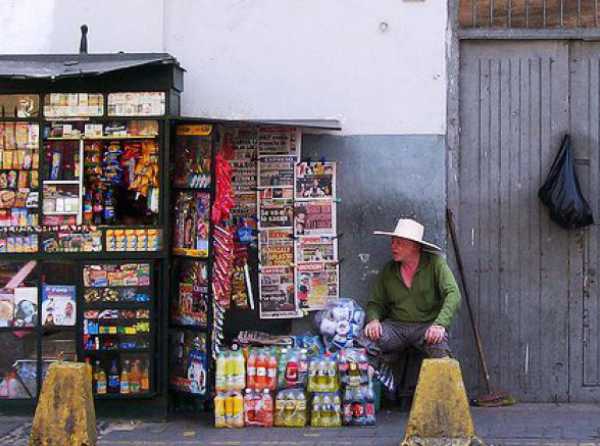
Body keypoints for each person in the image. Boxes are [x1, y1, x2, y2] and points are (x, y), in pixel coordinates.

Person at [362, 218, 461, 359]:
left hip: (426, 327)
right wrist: (373, 320)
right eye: (393, 242)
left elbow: (453, 294)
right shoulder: (389, 269)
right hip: (395, 327)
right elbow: (375, 303)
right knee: (363, 344)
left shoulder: (435, 264)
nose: (393, 247)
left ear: (415, 246)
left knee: (441, 357)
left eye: (399, 243)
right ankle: (369, 379)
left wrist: (440, 324)